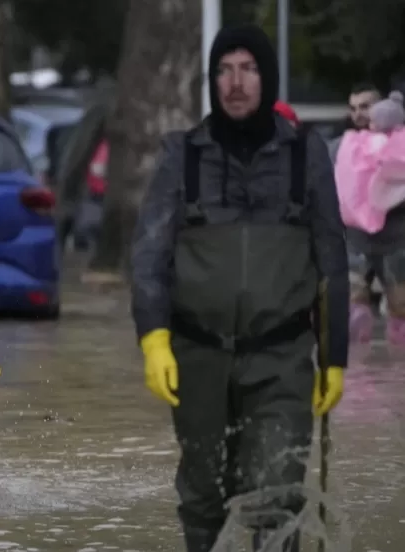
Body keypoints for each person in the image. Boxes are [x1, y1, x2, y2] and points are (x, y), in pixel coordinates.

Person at [131, 25, 348, 552]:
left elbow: (332, 261)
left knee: (275, 490)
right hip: (198, 356)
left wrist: (334, 356)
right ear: (212, 79)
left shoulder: (305, 155)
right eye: (225, 69)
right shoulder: (182, 156)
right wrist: (154, 338)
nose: (236, 82)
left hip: (282, 358)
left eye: (248, 68)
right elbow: (149, 255)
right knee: (203, 494)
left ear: (266, 77)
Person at [335, 91, 405, 344]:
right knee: (362, 312)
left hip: (390, 242)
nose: (359, 114)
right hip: (359, 241)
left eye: (365, 107)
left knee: (396, 313)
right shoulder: (344, 145)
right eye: (353, 108)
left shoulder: (349, 145)